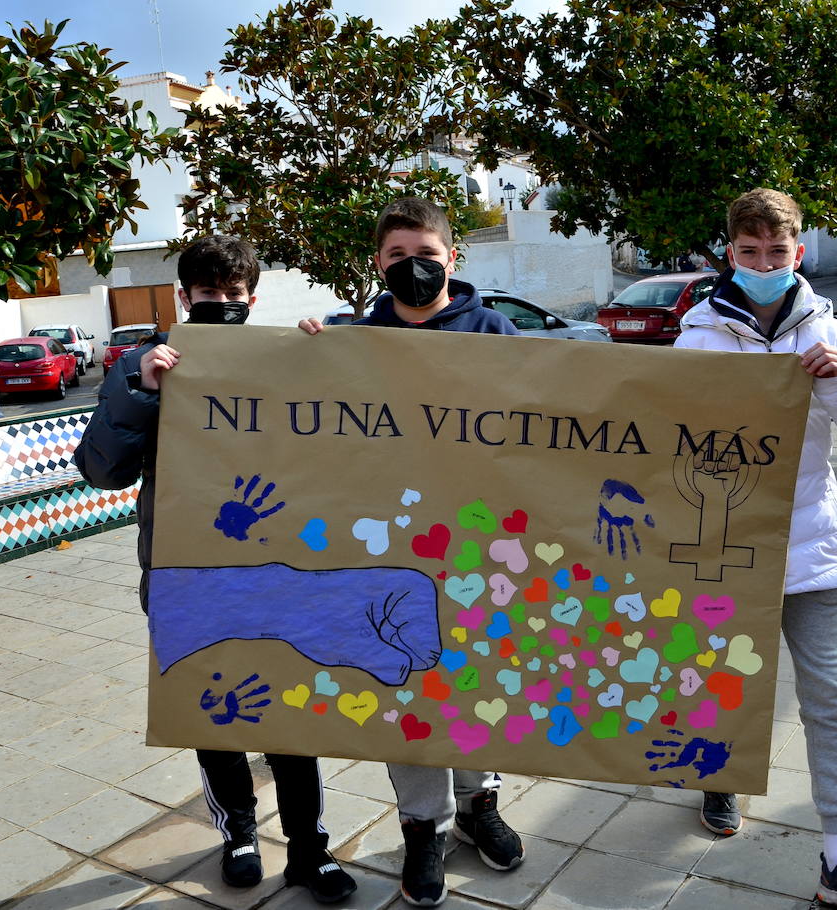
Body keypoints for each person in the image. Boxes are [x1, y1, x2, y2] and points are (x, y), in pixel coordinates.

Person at [73, 235, 356, 904]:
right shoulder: (144, 368)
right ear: (185, 298)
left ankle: (310, 852)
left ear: (252, 301)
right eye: (209, 295)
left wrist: (324, 355)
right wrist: (141, 390)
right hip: (186, 578)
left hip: (275, 577)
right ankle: (238, 834)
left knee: (292, 714)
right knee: (216, 713)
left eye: (234, 296)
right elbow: (98, 470)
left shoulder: (281, 363)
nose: (222, 305)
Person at [674, 189, 837, 910]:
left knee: (829, 698)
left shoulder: (833, 334)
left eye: (778, 251)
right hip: (723, 547)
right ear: (730, 256)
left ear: (798, 253)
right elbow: (663, 440)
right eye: (750, 252)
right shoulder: (698, 336)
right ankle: (720, 778)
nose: (765, 263)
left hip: (808, 547)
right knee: (721, 684)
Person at [298, 197, 524, 908]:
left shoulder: (496, 330)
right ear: (378, 264)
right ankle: (422, 824)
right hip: (390, 547)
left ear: (452, 257)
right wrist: (299, 357)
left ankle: (479, 804)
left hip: (479, 542)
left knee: (477, 673)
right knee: (408, 682)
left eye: (426, 254)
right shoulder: (355, 342)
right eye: (398, 257)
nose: (413, 268)